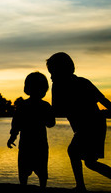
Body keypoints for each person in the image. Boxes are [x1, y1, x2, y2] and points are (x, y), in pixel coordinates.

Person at [46, 52, 111, 192]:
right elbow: (103, 100)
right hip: (95, 124)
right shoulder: (82, 82)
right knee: (90, 162)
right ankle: (81, 186)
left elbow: (57, 111)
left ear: (61, 71)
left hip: (91, 125)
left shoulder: (64, 85)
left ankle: (80, 187)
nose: (51, 77)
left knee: (74, 151)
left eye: (52, 72)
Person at [7, 72, 55, 189]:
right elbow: (51, 124)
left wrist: (12, 137)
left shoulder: (22, 105)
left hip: (26, 144)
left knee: (23, 172)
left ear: (26, 88)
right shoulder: (45, 106)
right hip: (40, 144)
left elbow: (16, 125)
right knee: (42, 171)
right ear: (44, 90)